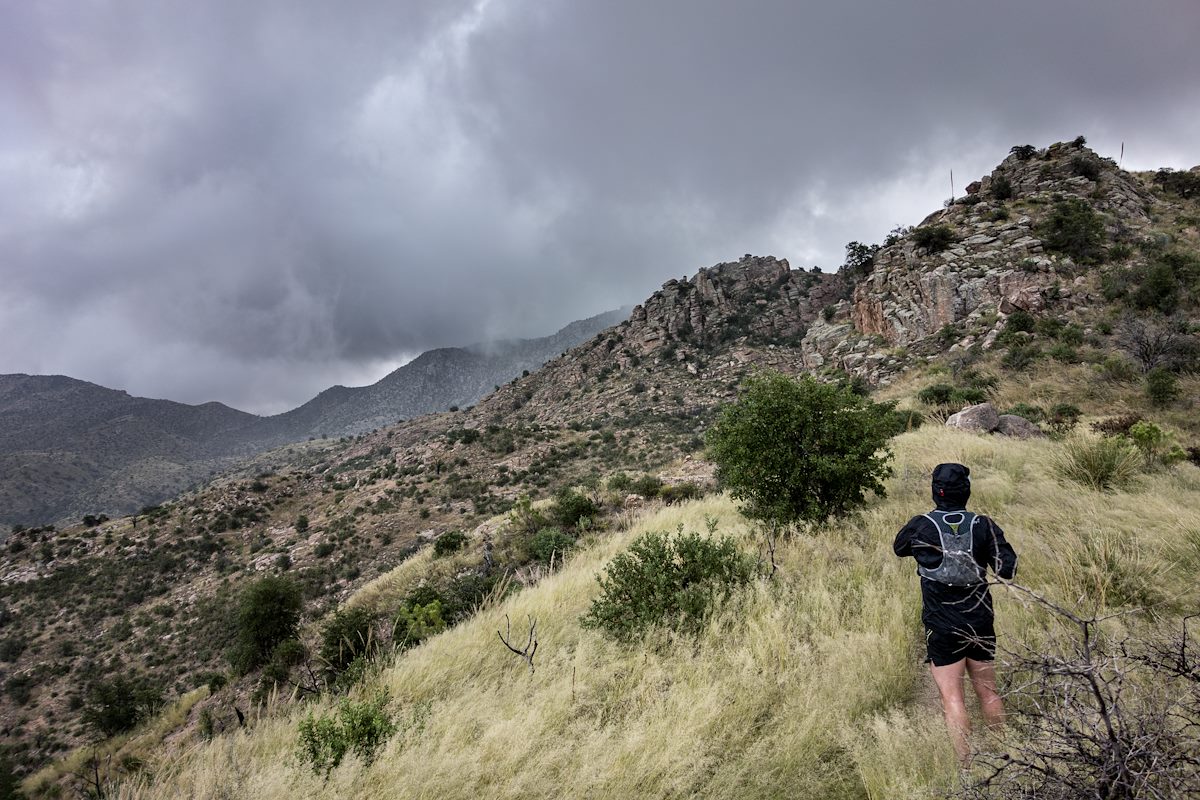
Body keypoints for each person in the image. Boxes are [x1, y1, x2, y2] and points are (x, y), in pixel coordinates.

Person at [893, 462, 1017, 764]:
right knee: (989, 692)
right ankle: (1006, 759)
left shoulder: (922, 525)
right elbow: (1007, 569)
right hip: (979, 620)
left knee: (953, 698)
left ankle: (965, 767)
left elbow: (899, 548)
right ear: (967, 491)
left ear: (936, 491)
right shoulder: (983, 524)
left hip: (941, 623)